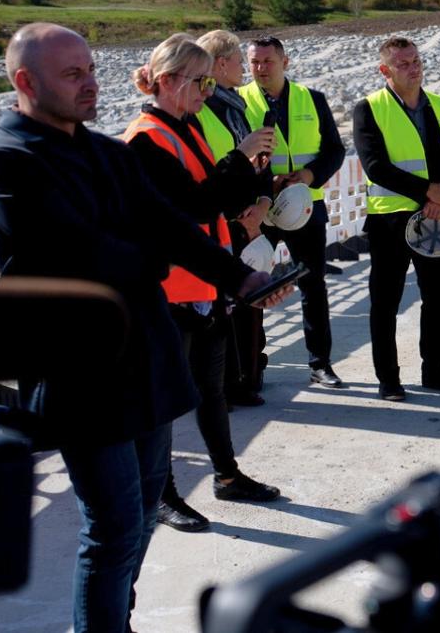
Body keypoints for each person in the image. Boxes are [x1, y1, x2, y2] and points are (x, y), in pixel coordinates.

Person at [0, 23, 289, 631]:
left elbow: (169, 227)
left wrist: (241, 278)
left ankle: (115, 619)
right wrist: (152, 259)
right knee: (113, 526)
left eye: (91, 69)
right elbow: (78, 256)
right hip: (82, 375)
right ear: (26, 82)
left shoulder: (106, 152)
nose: (90, 83)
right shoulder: (9, 160)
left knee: (143, 514)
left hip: (145, 358)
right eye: (73, 74)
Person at [122, 34, 284, 536]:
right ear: (168, 82)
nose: (208, 92)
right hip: (170, 291)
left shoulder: (186, 126)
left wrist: (251, 177)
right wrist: (239, 157)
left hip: (205, 285)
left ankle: (227, 475)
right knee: (167, 400)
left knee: (212, 389)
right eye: (201, 83)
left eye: (211, 83)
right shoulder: (145, 139)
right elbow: (189, 207)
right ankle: (163, 494)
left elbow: (213, 197)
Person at [349, 36, 440, 402]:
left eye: (416, 60)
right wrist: (428, 193)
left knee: (437, 298)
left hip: (438, 219)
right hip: (391, 222)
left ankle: (435, 370)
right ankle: (388, 379)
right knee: (385, 302)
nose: (413, 68)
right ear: (384, 70)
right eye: (403, 64)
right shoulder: (369, 109)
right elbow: (375, 166)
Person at [241, 36, 347, 387]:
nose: (261, 68)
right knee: (249, 287)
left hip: (304, 206)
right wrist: (264, 184)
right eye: (254, 62)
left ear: (285, 62)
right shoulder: (239, 101)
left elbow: (335, 150)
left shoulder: (312, 99)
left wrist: (308, 175)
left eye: (268, 61)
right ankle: (251, 367)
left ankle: (321, 364)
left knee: (313, 285)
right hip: (259, 210)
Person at [194, 29, 276, 408]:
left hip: (247, 221)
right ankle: (226, 386)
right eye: (240, 61)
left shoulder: (235, 107)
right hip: (223, 222)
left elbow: (255, 165)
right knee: (224, 311)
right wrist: (238, 216)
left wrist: (262, 204)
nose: (245, 68)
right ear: (221, 63)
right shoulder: (203, 110)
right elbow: (211, 173)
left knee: (248, 306)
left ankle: (247, 377)